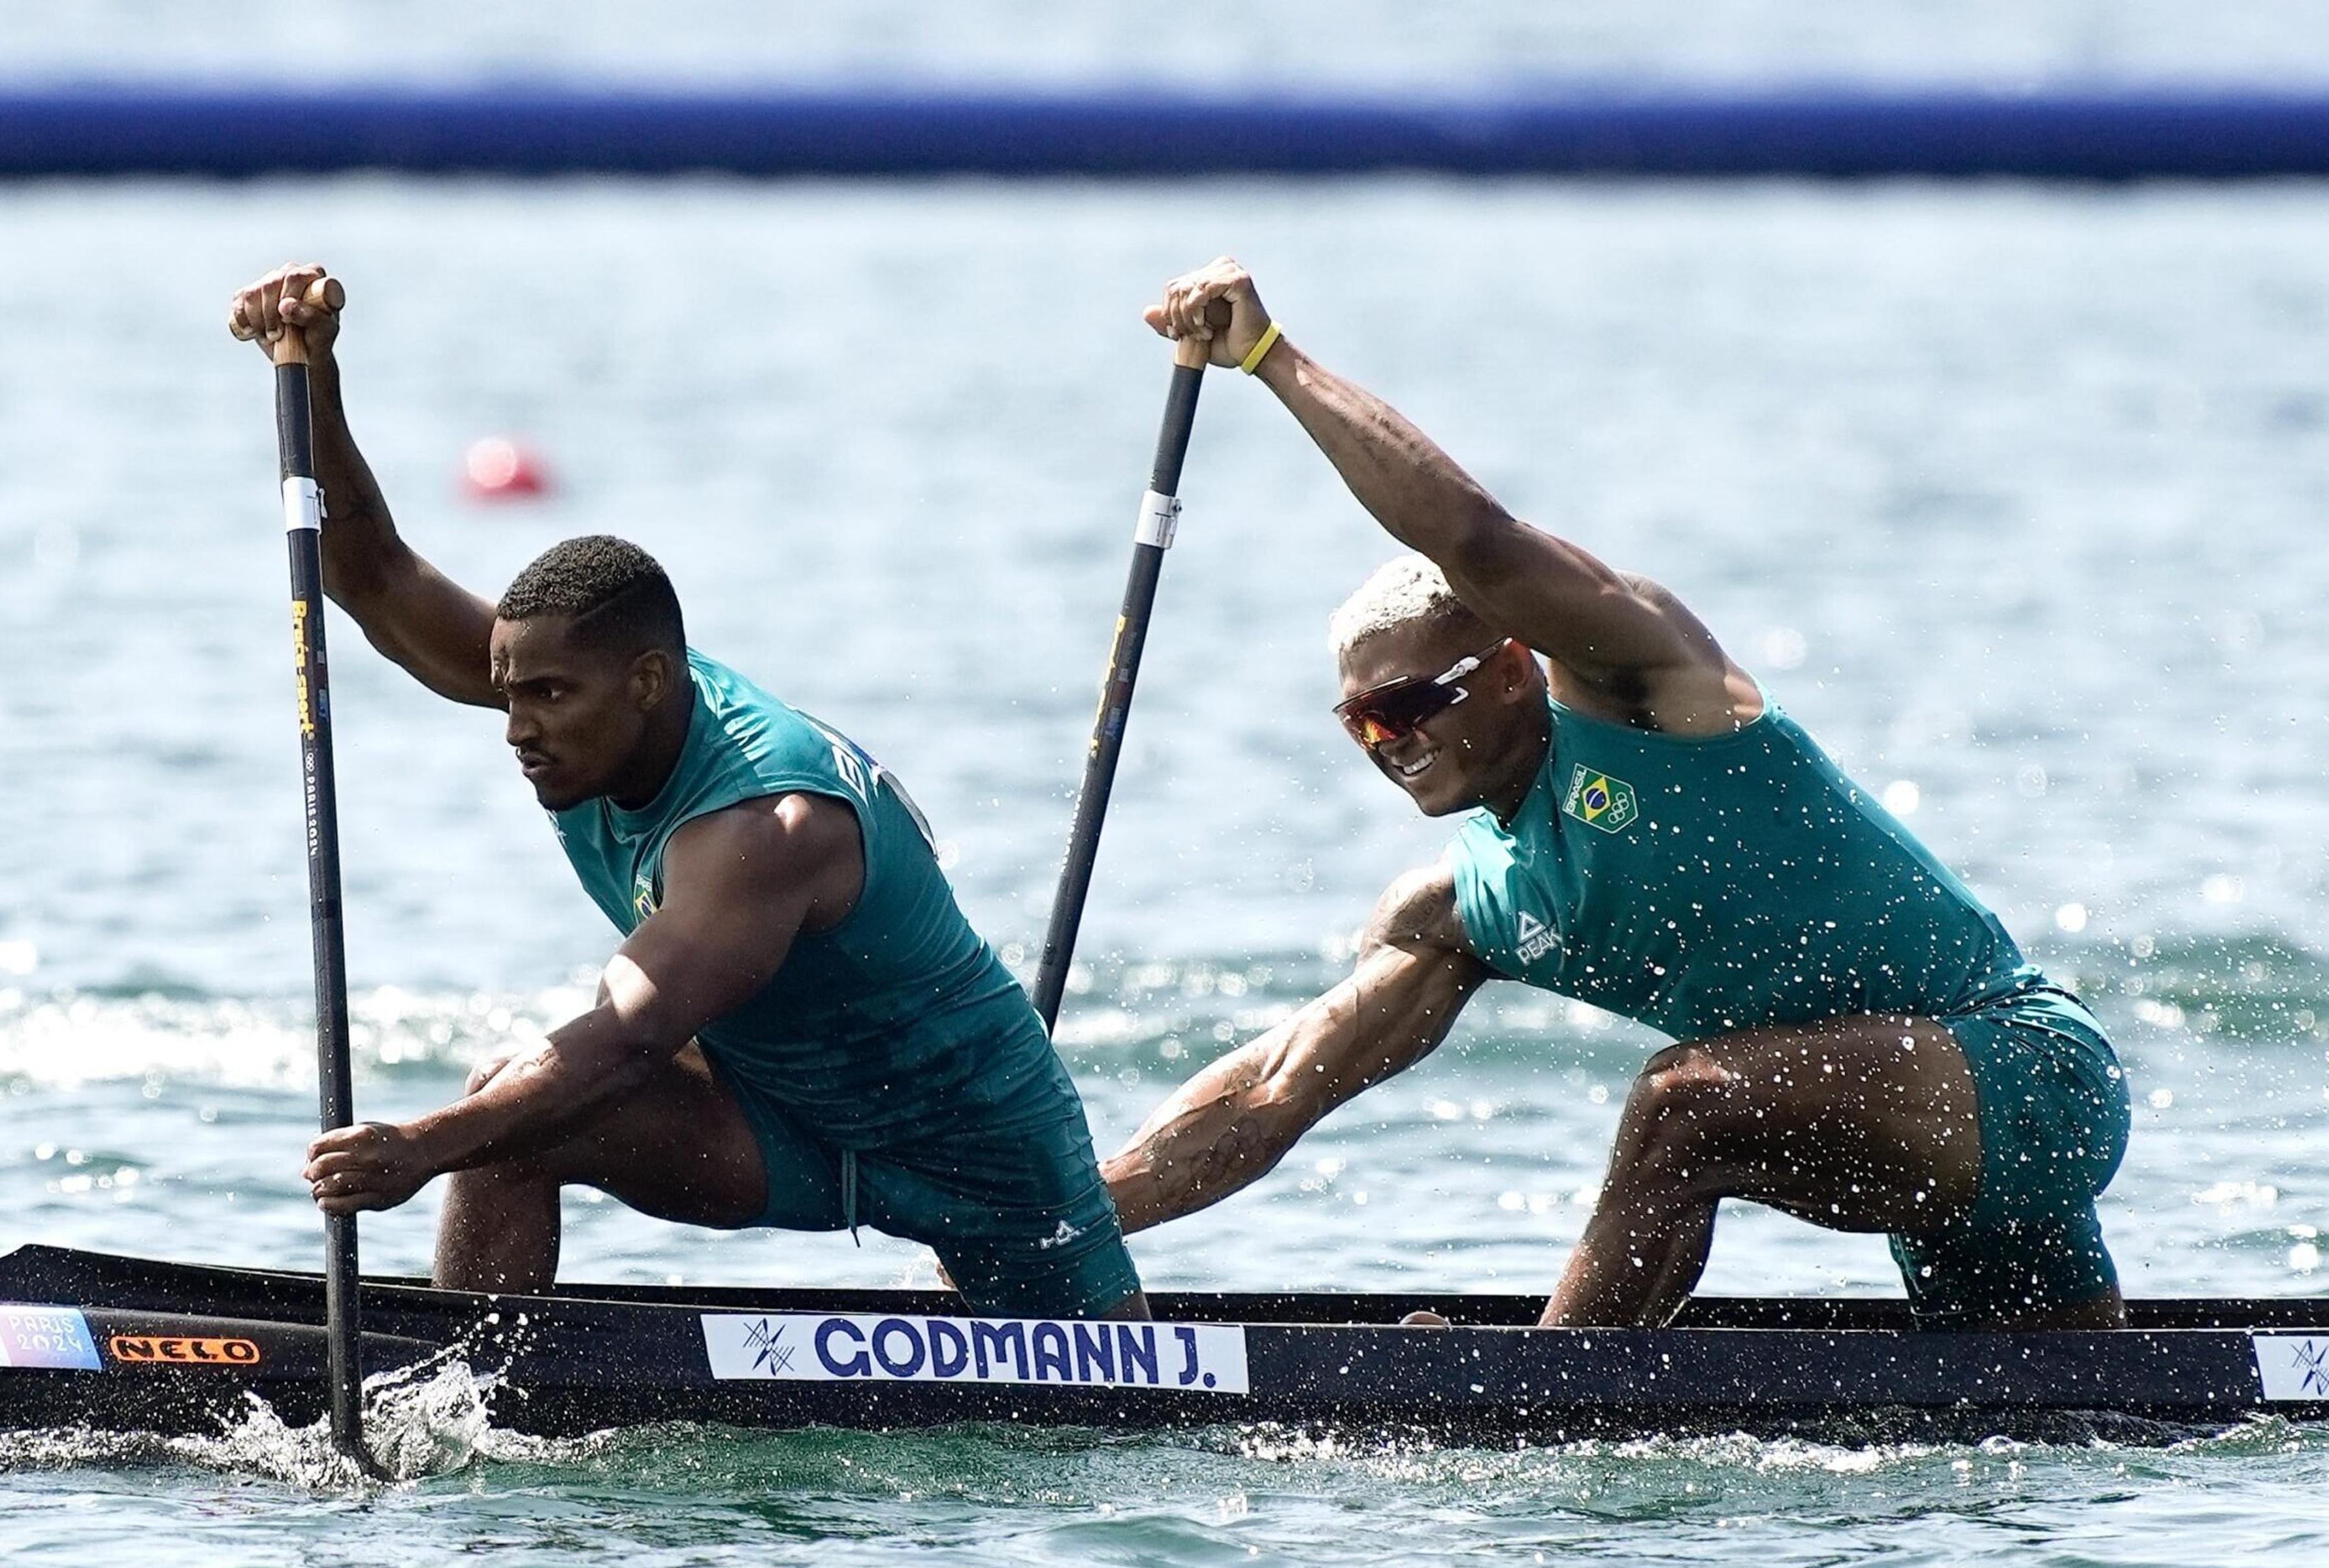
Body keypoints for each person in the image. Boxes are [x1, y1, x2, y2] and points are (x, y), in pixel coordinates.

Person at [1101, 257, 2129, 1330]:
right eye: (1358, 720)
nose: (1385, 743)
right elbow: (1270, 1099)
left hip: (2025, 1071)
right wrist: (1052, 1229)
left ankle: (1548, 1408)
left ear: (1511, 668)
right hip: (1899, 1136)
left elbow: (1476, 540)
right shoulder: (1460, 911)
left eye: (1406, 704)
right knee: (2076, 1420)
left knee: (1678, 1106)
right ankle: (1573, 1389)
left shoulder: (1646, 690)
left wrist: (1270, 361)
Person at [228, 264, 1144, 1320]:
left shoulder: (766, 823)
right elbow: (375, 575)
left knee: (1119, 1413)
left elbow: (628, 1040)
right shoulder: (593, 707)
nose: (519, 729)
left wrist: (415, 1149)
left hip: (981, 1148)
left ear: (649, 681)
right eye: (509, 695)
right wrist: (312, 376)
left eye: (549, 698)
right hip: (782, 1119)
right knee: (511, 1120)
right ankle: (460, 1403)